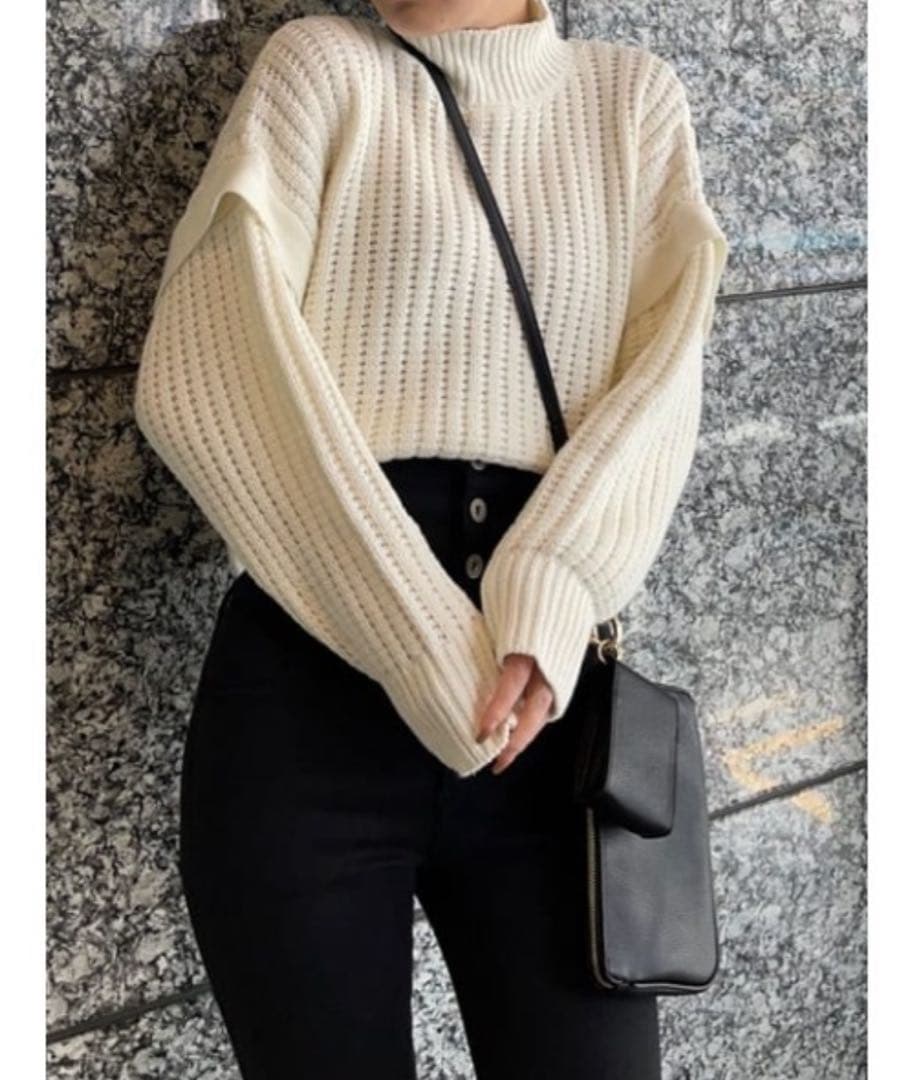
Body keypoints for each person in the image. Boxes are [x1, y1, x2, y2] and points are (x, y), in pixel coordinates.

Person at [133, 0, 729, 1076]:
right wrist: (417, 637)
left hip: (542, 715)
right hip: (310, 708)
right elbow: (205, 368)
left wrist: (550, 584)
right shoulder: (319, 70)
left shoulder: (629, 98)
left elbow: (664, 382)